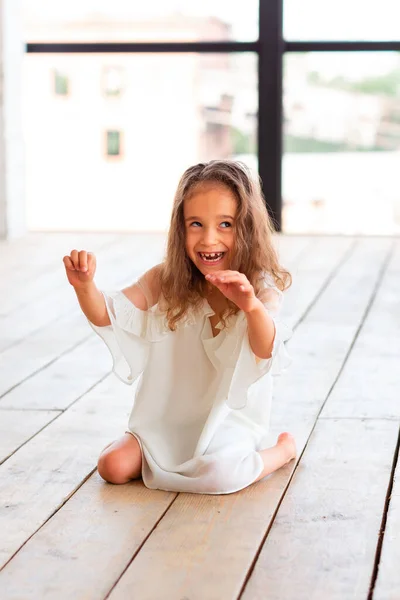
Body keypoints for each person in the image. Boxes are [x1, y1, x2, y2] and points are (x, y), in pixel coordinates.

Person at [63, 160, 296, 495]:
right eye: (196, 224)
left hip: (227, 421)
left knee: (220, 476)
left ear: (246, 228)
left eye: (226, 224)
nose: (209, 239)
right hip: (165, 421)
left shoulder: (260, 287)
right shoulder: (165, 279)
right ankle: (149, 445)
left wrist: (251, 306)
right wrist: (85, 286)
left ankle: (281, 451)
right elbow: (109, 315)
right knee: (111, 466)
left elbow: (265, 350)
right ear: (181, 228)